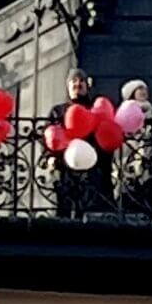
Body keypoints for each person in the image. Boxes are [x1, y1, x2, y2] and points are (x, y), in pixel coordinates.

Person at [46, 67, 110, 215]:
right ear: (68, 86)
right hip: (66, 168)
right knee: (64, 211)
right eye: (73, 81)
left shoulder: (95, 110)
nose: (77, 84)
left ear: (87, 86)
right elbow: (49, 136)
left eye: (81, 81)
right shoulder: (58, 111)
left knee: (88, 212)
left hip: (92, 169)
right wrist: (50, 157)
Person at [118, 77, 152, 210]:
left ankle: (147, 180)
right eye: (140, 88)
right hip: (129, 153)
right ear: (132, 92)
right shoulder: (125, 110)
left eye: (145, 88)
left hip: (150, 153)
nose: (144, 91)